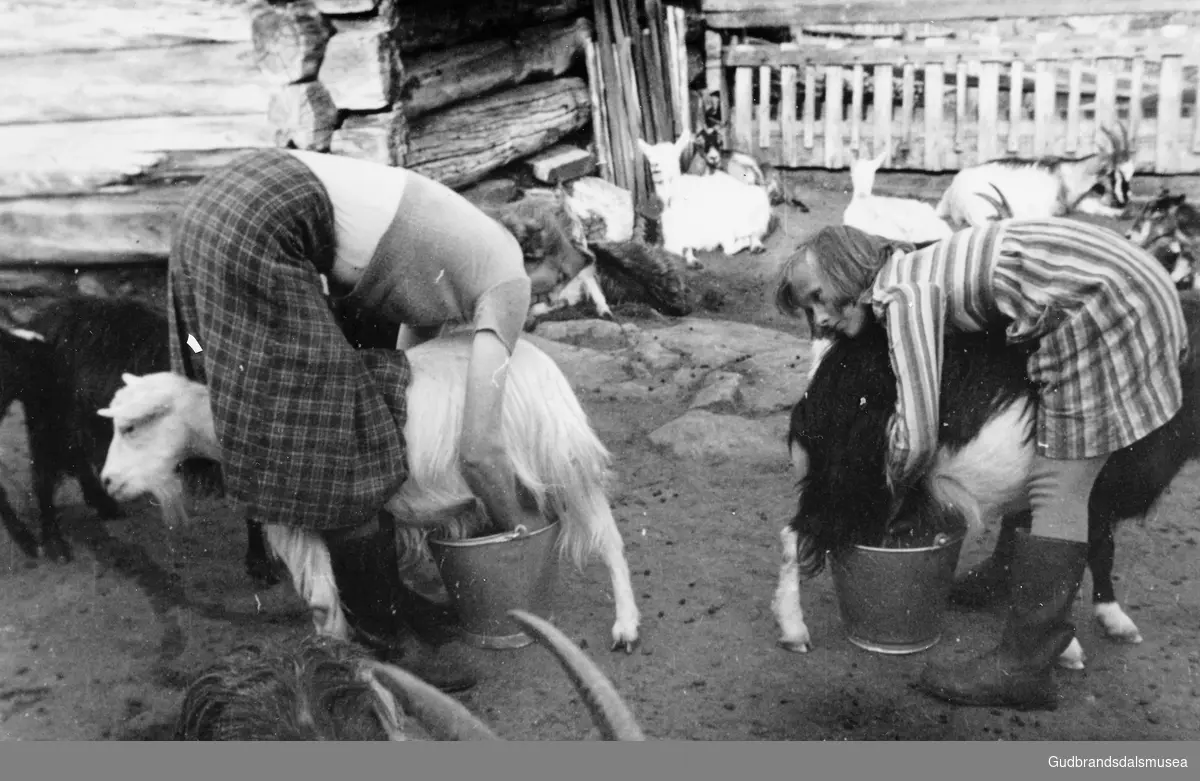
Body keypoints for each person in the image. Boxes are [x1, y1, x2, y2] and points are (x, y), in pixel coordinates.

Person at [167, 148, 587, 693]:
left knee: (228, 357)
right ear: (539, 256)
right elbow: (479, 450)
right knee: (335, 431)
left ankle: (392, 598)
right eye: (561, 274)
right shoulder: (510, 280)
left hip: (216, 206)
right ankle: (385, 647)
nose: (557, 290)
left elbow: (408, 375)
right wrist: (512, 525)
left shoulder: (459, 248)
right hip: (262, 224)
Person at [775, 219, 1187, 709]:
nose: (819, 318)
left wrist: (899, 490)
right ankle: (1009, 579)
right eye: (809, 309)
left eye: (821, 298)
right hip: (1135, 285)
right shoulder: (916, 262)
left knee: (1059, 486)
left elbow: (920, 428)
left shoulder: (902, 296)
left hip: (1103, 307)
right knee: (1051, 439)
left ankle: (1023, 665)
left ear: (851, 273)